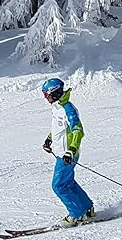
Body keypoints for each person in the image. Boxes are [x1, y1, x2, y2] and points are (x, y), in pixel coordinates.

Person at [41, 78, 94, 227]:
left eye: (46, 94)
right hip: (61, 153)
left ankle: (76, 214)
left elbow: (78, 130)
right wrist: (49, 139)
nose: (46, 98)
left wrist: (71, 150)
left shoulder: (68, 109)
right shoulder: (57, 107)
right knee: (68, 183)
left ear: (55, 93)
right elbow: (58, 128)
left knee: (58, 185)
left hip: (67, 154)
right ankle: (87, 209)